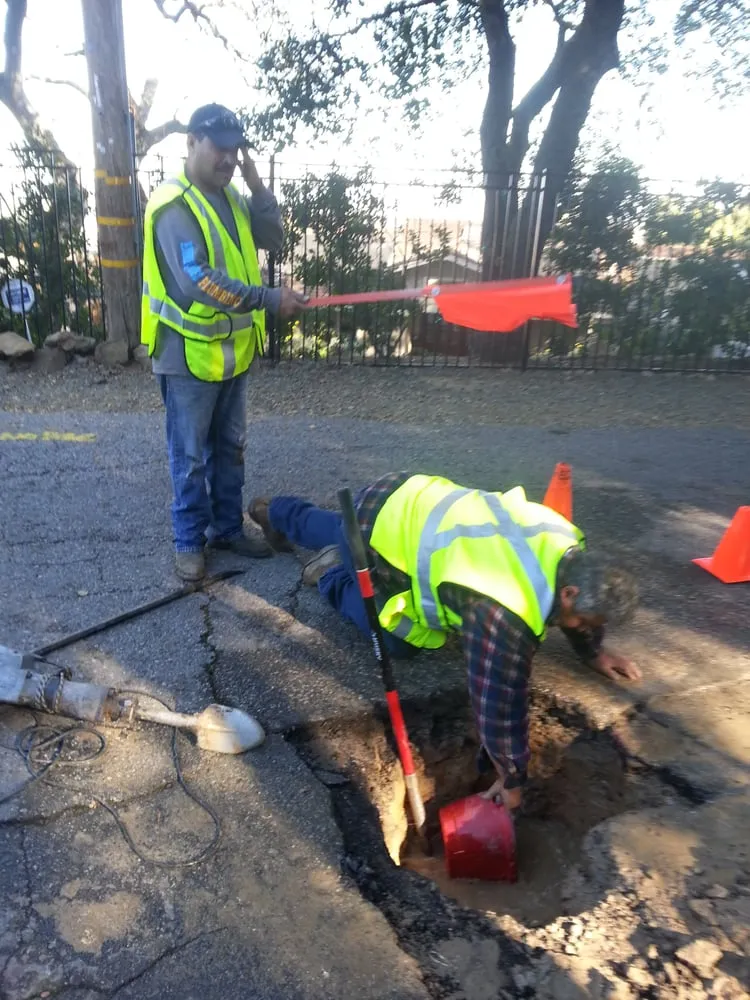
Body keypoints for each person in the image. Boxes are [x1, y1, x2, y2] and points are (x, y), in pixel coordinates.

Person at [249, 472, 641, 812]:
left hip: (405, 497)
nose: (579, 626)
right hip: (385, 533)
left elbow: (576, 609)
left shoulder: (567, 544)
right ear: (569, 593)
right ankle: (333, 577)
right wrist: (513, 777)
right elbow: (498, 699)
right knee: (400, 641)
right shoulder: (506, 608)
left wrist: (594, 651)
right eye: (584, 623)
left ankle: (277, 511)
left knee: (342, 527)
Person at [141, 103, 307, 581]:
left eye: (236, 149)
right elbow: (199, 282)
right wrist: (268, 299)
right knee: (190, 455)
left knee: (231, 447)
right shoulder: (174, 204)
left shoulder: (233, 197)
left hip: (232, 352)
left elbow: (273, 238)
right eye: (220, 147)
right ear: (191, 142)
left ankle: (227, 529)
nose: (230, 158)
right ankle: (189, 541)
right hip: (186, 353)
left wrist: (256, 185)